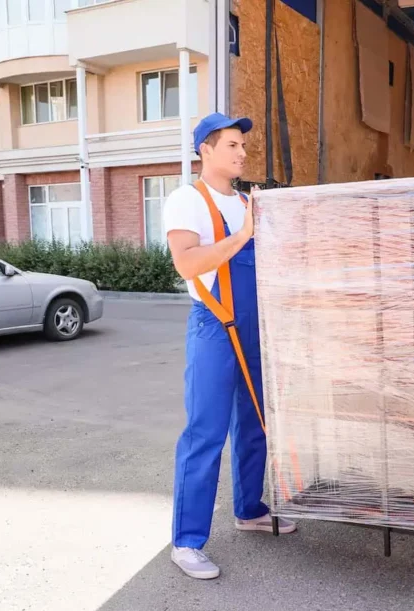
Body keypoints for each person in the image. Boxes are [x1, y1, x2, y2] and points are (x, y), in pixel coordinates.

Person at [165, 112, 297, 581]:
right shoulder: (188, 200)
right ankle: (187, 542)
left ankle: (250, 509)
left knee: (255, 425)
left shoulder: (247, 201)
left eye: (243, 146)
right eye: (232, 146)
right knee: (205, 433)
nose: (242, 153)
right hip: (215, 327)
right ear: (206, 150)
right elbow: (187, 263)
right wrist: (243, 235)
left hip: (257, 326)